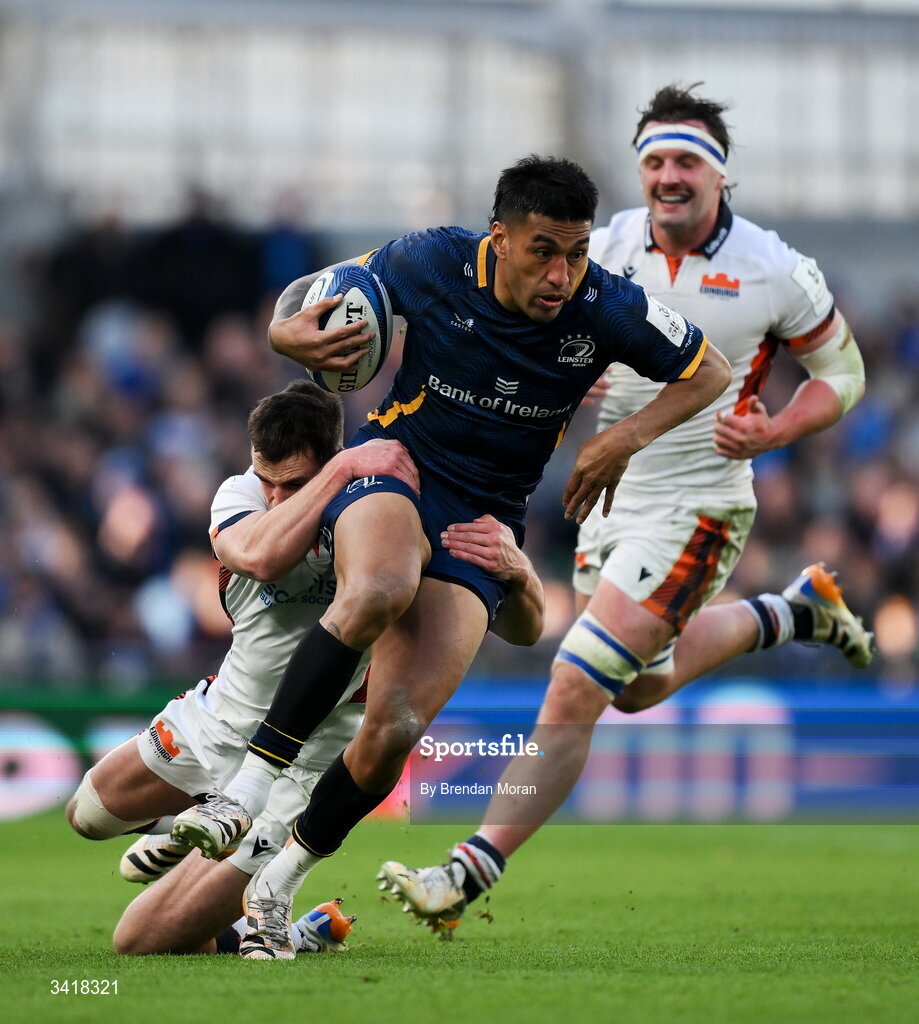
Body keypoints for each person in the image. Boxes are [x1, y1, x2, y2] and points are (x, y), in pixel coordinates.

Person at [169, 153, 732, 960]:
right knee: (379, 590)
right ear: (498, 238)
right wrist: (279, 333)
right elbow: (306, 308)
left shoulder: (607, 307)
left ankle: (275, 882)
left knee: (395, 727)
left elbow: (706, 369)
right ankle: (243, 793)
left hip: (485, 519)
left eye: (575, 252)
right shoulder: (431, 259)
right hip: (396, 470)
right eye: (543, 249)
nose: (561, 273)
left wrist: (621, 436)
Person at [378, 84, 873, 934]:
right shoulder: (597, 249)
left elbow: (843, 374)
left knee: (574, 685)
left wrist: (776, 428)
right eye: (653, 161)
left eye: (686, 161)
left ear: (719, 177)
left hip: (698, 505)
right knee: (636, 687)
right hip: (607, 504)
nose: (668, 176)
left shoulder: (775, 268)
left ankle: (465, 872)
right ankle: (789, 613)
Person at [67, 377, 543, 956]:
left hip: (302, 760)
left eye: (291, 483)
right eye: (264, 479)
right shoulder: (238, 496)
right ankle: (191, 825)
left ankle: (287, 923)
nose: (272, 496)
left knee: (138, 943)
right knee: (85, 816)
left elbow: (522, 630)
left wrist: (521, 574)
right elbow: (261, 557)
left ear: (329, 460)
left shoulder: (382, 518)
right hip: (218, 720)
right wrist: (336, 477)